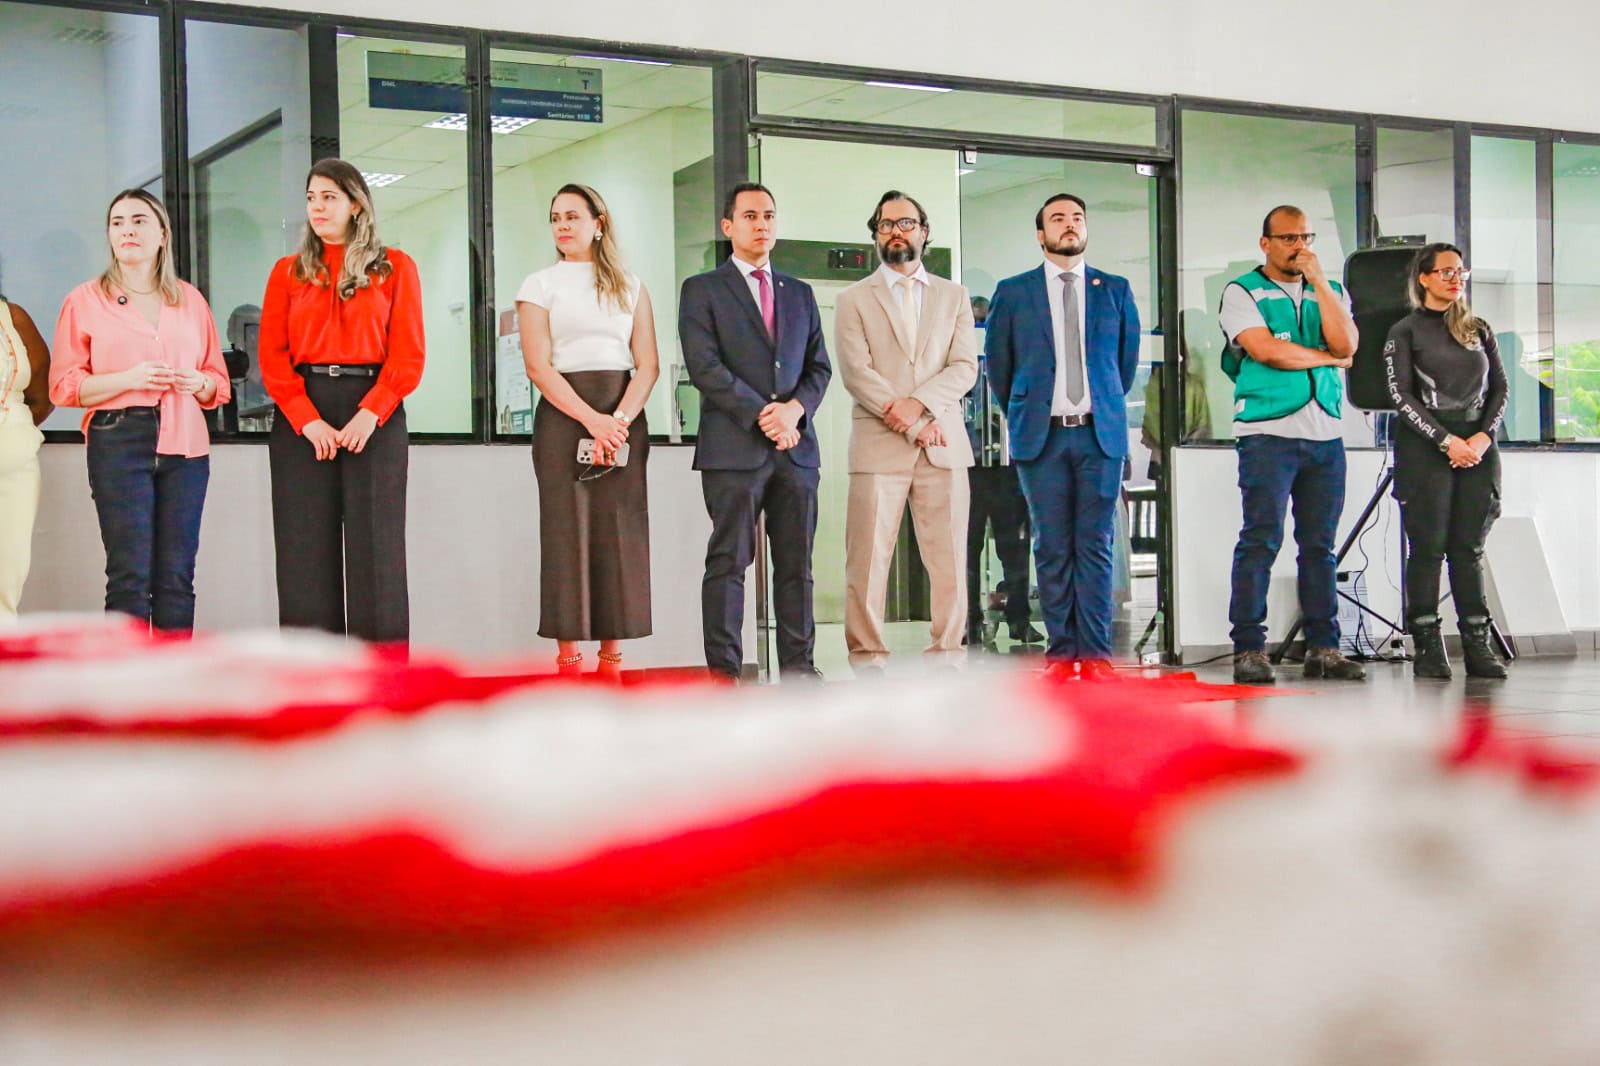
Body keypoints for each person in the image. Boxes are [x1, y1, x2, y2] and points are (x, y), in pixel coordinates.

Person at [49, 189, 231, 633]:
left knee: (176, 577)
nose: (127, 230)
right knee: (130, 577)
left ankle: (173, 692)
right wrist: (128, 379)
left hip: (185, 446)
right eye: (117, 222)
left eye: (139, 221)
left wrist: (200, 382)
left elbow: (218, 382)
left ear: (163, 234)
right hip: (118, 439)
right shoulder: (85, 300)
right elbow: (63, 386)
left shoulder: (189, 300)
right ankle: (127, 694)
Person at [259, 159, 424, 644]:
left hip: (375, 410)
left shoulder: (394, 267)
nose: (317, 207)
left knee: (378, 552)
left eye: (329, 196)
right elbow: (272, 356)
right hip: (302, 415)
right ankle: (312, 678)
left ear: (356, 204)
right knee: (304, 553)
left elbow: (409, 354)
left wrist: (371, 411)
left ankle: (382, 681)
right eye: (311, 197)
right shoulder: (287, 273)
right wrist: (305, 419)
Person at [678, 182, 832, 682]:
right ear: (728, 227)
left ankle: (800, 670)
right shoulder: (702, 290)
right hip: (733, 450)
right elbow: (705, 367)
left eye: (768, 215)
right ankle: (724, 675)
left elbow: (818, 370)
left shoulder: (800, 293)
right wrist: (765, 414)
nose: (761, 223)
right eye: (749, 216)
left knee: (796, 568)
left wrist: (793, 412)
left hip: (795, 450)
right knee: (729, 564)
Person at [985, 193, 1141, 676]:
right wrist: (1027, 411)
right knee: (1051, 547)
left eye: (1077, 218)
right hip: (1042, 438)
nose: (1069, 225)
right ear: (1041, 234)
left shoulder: (1114, 288)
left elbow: (1125, 363)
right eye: (1058, 219)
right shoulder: (1014, 292)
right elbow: (1000, 368)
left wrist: (1103, 406)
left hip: (1099, 437)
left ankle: (1094, 656)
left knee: (1094, 547)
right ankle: (1060, 654)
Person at [517, 183, 659, 675]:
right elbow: (538, 366)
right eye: (556, 216)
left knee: (617, 535)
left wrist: (616, 423)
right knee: (566, 535)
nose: (562, 225)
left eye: (573, 216)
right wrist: (591, 420)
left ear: (599, 223)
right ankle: (569, 657)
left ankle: (612, 657)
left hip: (622, 419)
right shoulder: (539, 285)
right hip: (564, 417)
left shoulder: (631, 286)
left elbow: (648, 367)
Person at [1219, 205, 1364, 684]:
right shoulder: (1243, 291)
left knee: (1320, 547)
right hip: (1267, 434)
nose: (1298, 246)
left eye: (1304, 237)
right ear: (1265, 243)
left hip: (1325, 434)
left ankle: (1324, 647)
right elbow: (1267, 351)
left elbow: (1347, 347)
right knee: (1261, 540)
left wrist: (1321, 284)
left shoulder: (1333, 291)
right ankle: (1249, 648)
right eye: (1286, 238)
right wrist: (1324, 359)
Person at [834, 190, 977, 661]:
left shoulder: (954, 296)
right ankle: (867, 654)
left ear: (924, 231)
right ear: (876, 234)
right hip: (880, 445)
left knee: (950, 560)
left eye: (907, 223)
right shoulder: (853, 299)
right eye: (887, 224)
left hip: (944, 443)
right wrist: (913, 423)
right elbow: (857, 373)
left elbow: (963, 368)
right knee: (869, 561)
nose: (897, 231)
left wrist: (918, 406)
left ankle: (949, 651)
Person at [1383, 242, 1509, 680]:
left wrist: (1480, 436)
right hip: (1426, 449)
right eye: (1446, 272)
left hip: (1477, 447)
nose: (1456, 278)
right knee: (1428, 549)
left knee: (1468, 548)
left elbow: (1500, 390)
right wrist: (1445, 440)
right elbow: (1400, 396)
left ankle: (1478, 644)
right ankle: (1427, 647)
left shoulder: (1479, 329)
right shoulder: (1405, 330)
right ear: (1424, 278)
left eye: (1461, 271)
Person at [0, 295, 53, 621]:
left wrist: (14, 437)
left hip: (13, 469)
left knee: (7, 570)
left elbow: (42, 396)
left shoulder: (12, 316)